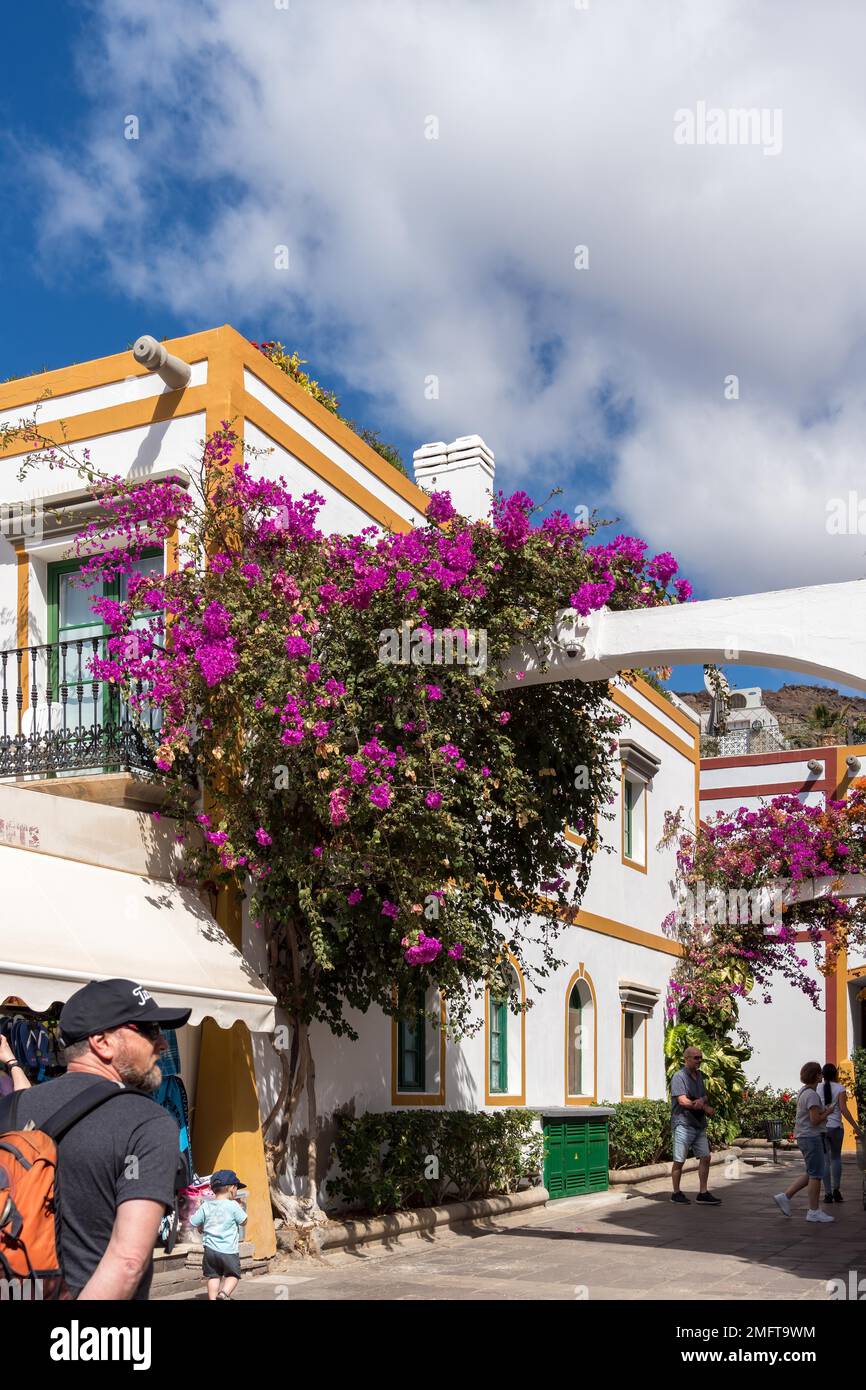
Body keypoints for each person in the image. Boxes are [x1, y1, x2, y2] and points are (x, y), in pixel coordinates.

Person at [2, 978, 190, 1299]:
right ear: (102, 1042)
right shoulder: (148, 1122)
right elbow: (128, 1261)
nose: (162, 1044)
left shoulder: (10, 1108)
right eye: (148, 1030)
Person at [773, 1061, 838, 1223]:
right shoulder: (812, 1095)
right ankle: (813, 1211)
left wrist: (823, 1111)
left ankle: (785, 1196)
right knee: (817, 1174)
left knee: (812, 1171)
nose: (822, 1076)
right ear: (817, 1075)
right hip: (812, 1137)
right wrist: (828, 1111)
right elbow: (815, 1120)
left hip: (805, 1136)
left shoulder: (804, 1091)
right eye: (820, 1073)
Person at [670, 1044, 722, 1205]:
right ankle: (676, 1193)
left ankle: (703, 1192)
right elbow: (682, 1100)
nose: (699, 1060)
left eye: (700, 1057)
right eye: (696, 1058)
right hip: (683, 1124)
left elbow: (704, 1096)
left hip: (699, 1124)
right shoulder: (679, 1077)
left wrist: (702, 1100)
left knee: (705, 1157)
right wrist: (703, 1106)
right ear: (686, 1059)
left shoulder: (699, 1076)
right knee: (679, 1160)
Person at [190, 1169, 248, 1301]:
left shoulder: (206, 1206)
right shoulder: (233, 1205)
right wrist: (240, 1207)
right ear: (232, 1188)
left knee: (214, 1276)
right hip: (228, 1250)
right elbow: (244, 1221)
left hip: (210, 1250)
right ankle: (223, 1294)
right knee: (233, 1275)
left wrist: (201, 1225)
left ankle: (212, 1299)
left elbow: (194, 1222)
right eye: (237, 1188)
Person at [820, 1062, 862, 1203]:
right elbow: (843, 1109)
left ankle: (827, 1194)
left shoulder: (817, 1088)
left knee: (825, 1161)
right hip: (836, 1128)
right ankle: (836, 1190)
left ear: (823, 1075)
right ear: (835, 1074)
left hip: (822, 1128)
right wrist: (856, 1126)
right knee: (836, 1158)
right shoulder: (840, 1088)